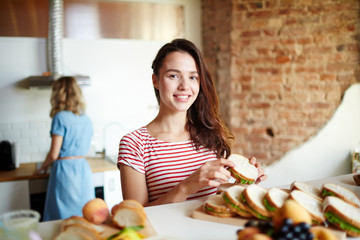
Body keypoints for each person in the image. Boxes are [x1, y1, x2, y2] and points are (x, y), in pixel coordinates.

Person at [118, 39, 266, 207]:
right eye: (174, 76)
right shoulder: (134, 144)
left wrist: (244, 183)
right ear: (156, 81)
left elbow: (213, 197)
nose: (185, 86)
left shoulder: (210, 133)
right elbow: (137, 214)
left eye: (193, 77)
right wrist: (186, 187)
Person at [33, 76, 94, 221]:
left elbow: (53, 154)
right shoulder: (86, 118)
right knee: (83, 215)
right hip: (83, 170)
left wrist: (41, 168)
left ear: (58, 94)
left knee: (61, 217)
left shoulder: (60, 117)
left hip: (65, 172)